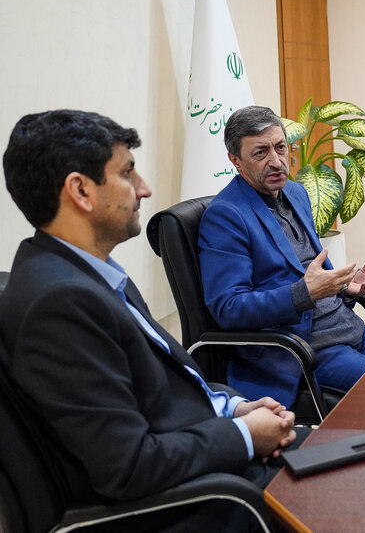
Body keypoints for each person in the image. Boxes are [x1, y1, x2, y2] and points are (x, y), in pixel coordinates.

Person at [0, 110, 297, 531]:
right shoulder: (59, 303)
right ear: (81, 190)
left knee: (356, 455)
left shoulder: (85, 272)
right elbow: (127, 466)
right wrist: (245, 435)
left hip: (208, 455)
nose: (144, 188)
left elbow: (163, 385)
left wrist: (236, 407)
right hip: (204, 500)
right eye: (127, 173)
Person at [198, 106, 365, 408]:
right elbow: (229, 307)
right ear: (235, 160)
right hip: (305, 349)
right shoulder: (226, 216)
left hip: (350, 329)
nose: (277, 162)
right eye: (260, 153)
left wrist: (343, 287)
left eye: (280, 147)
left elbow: (306, 270)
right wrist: (305, 294)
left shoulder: (296, 193)